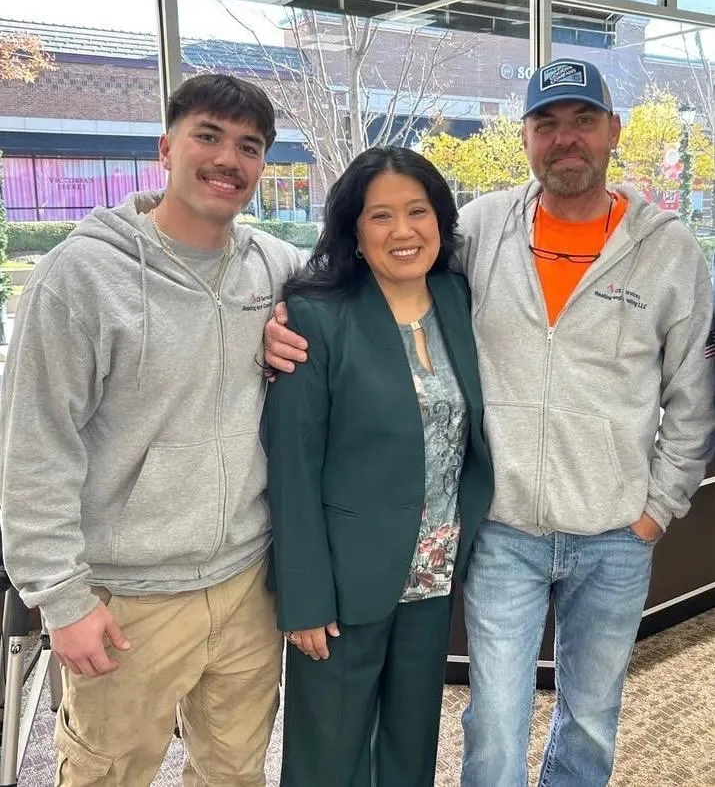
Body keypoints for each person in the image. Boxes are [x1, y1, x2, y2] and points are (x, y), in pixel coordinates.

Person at [263, 59, 715, 787]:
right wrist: (275, 314)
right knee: (494, 727)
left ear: (612, 132)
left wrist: (658, 510)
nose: (565, 139)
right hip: (501, 532)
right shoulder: (480, 227)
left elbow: (694, 394)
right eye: (546, 124)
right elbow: (373, 259)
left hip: (614, 534)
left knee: (591, 718)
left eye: (582, 121)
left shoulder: (667, 253)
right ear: (526, 137)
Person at [0, 73, 305, 785]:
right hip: (125, 593)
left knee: (234, 771)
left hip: (245, 585)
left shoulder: (273, 267)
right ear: (166, 148)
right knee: (107, 773)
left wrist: (294, 323)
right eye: (208, 136)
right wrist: (62, 598)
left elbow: (355, 286)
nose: (228, 159)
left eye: (249, 146)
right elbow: (33, 449)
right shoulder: (80, 277)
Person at [263, 146, 493, 787]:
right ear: (355, 234)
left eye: (417, 211)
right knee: (328, 756)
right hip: (341, 584)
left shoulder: (456, 298)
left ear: (440, 221)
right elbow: (293, 464)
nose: (402, 231)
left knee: (410, 744)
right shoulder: (315, 316)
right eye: (381, 216)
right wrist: (304, 596)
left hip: (433, 571)